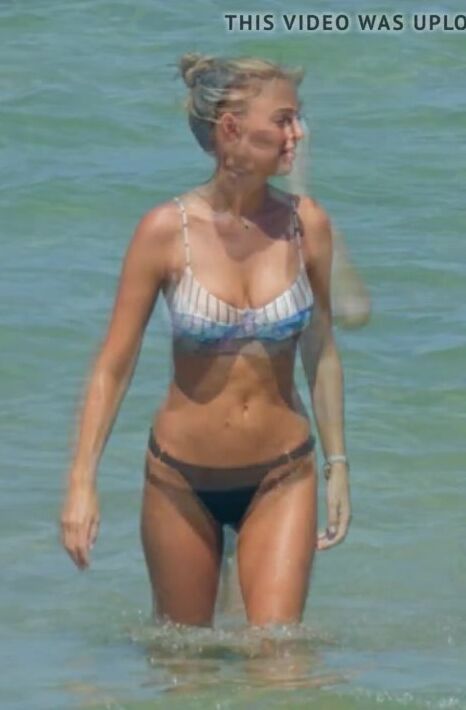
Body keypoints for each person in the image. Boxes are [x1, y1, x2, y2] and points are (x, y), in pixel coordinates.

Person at [60, 53, 352, 628]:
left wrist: (337, 463)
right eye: (284, 119)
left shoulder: (307, 224)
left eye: (298, 118)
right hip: (180, 481)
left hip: (282, 474)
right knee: (184, 661)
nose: (298, 133)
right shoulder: (165, 232)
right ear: (232, 129)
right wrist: (81, 483)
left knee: (280, 657)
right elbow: (113, 365)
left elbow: (320, 349)